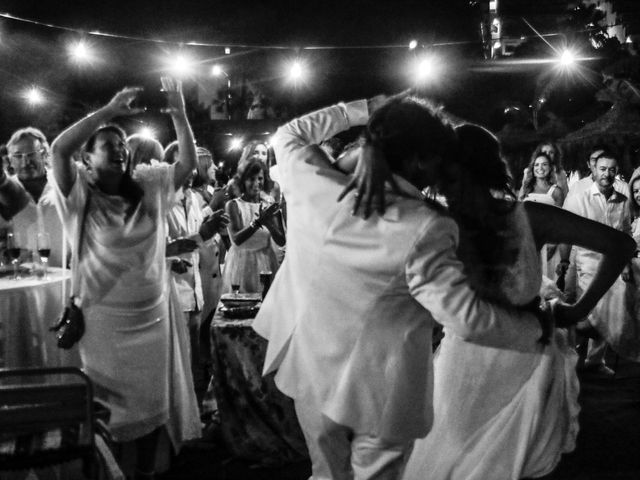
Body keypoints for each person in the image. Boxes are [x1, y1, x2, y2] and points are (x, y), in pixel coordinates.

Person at [252, 95, 562, 480]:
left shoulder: (311, 180)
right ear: (420, 160)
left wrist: (363, 112)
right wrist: (536, 327)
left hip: (310, 367)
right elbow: (467, 318)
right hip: (382, 390)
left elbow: (288, 133)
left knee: (325, 474)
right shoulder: (424, 225)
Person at [395, 125, 634, 480]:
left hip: (524, 368)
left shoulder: (525, 218)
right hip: (467, 367)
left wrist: (579, 310)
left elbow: (620, 245)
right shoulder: (434, 222)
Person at [49, 78, 199, 479]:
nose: (120, 151)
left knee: (152, 410)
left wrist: (180, 113)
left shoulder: (149, 187)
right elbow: (59, 148)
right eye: (109, 146)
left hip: (152, 321)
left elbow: (187, 165)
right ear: (88, 157)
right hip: (104, 325)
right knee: (110, 415)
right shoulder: (78, 194)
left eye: (123, 147)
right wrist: (110, 111)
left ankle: (147, 474)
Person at [558, 151, 638, 374]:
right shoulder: (579, 197)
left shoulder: (622, 201)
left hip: (613, 266)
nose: (607, 174)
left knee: (610, 313)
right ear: (593, 170)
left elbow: (624, 233)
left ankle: (594, 360)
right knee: (589, 314)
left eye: (612, 169)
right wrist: (564, 260)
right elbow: (566, 231)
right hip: (587, 262)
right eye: (603, 169)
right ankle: (567, 354)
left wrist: (625, 265)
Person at [0, 127, 65, 267]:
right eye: (18, 156)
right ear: (10, 160)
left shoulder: (64, 183)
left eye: (31, 154)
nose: (26, 162)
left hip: (67, 278)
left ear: (44, 154)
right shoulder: (5, 194)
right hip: (23, 281)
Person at [222, 159, 284, 294]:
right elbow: (236, 239)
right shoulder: (233, 205)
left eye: (260, 178)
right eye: (251, 179)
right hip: (241, 264)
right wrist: (258, 222)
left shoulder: (270, 204)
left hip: (266, 261)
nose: (257, 183)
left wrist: (269, 224)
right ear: (243, 181)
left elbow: (281, 240)